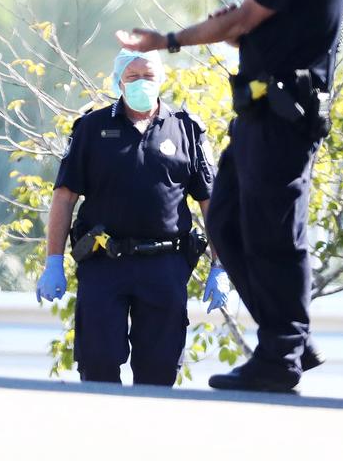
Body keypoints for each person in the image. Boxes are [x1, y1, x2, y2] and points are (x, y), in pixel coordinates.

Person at [116, 0, 343, 393]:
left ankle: (282, 350)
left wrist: (167, 41)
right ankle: (287, 334)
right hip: (261, 114)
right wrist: (241, 29)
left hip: (284, 117)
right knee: (225, 221)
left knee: (273, 232)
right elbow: (252, 27)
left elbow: (242, 20)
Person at [36, 48, 230, 386]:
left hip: (165, 265)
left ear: (161, 79)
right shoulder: (92, 127)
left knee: (159, 370)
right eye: (133, 77)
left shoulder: (186, 130)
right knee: (97, 364)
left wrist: (221, 265)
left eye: (148, 76)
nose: (141, 83)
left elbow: (211, 202)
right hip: (103, 262)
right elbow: (64, 197)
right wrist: (53, 261)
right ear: (118, 81)